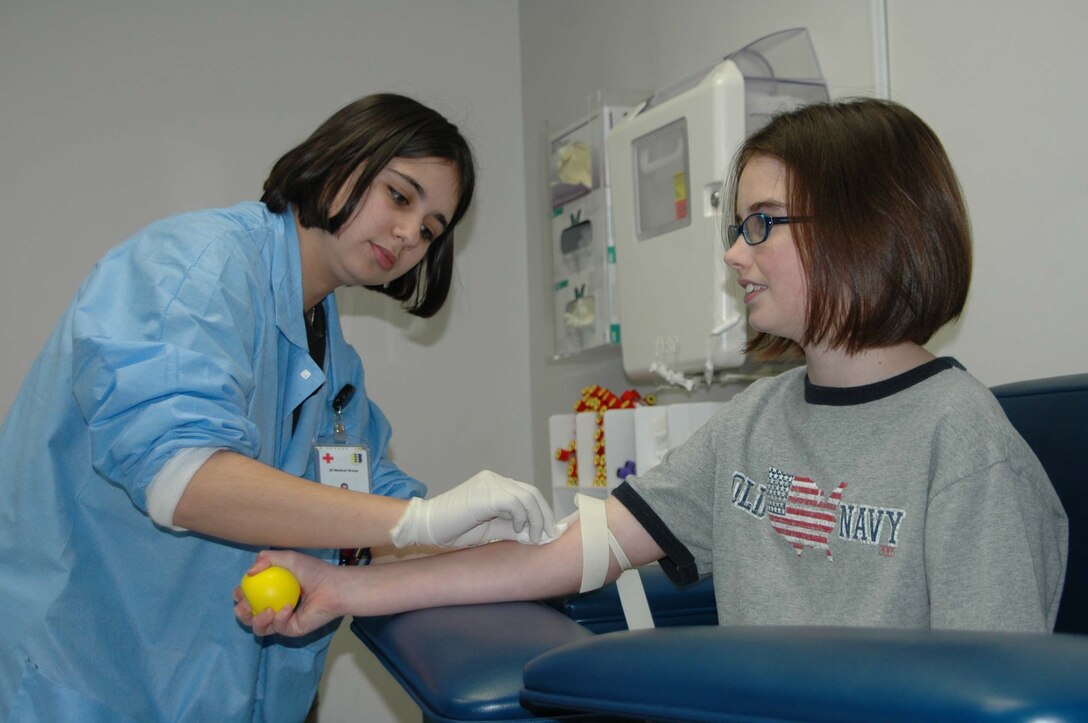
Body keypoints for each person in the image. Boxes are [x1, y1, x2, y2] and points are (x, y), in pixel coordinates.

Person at [236, 98, 1068, 642]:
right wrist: (347, 590)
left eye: (761, 224)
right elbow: (567, 553)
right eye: (736, 226)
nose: (735, 254)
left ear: (867, 226)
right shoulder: (756, 421)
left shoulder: (964, 448)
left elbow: (993, 691)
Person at [0, 93, 557, 723]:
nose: (409, 236)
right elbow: (182, 477)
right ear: (339, 159)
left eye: (430, 230)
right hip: (83, 682)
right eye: (400, 196)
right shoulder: (196, 269)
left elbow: (362, 500)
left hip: (221, 692)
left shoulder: (330, 353)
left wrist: (480, 535)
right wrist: (418, 521)